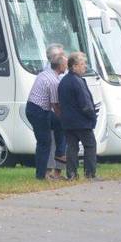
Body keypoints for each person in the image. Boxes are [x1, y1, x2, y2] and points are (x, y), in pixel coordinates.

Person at [26, 51, 66, 179]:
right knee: (44, 142)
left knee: (59, 124)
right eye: (65, 64)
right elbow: (55, 105)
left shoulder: (44, 73)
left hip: (36, 108)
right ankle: (41, 175)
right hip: (39, 111)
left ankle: (60, 153)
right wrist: (64, 118)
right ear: (60, 66)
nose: (66, 66)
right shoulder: (54, 81)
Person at [58, 52, 98, 180]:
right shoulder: (78, 81)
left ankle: (72, 174)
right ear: (74, 66)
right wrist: (92, 117)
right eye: (82, 64)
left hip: (68, 121)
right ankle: (90, 173)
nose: (84, 66)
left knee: (72, 148)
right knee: (90, 145)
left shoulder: (63, 81)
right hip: (82, 121)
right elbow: (85, 103)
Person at [45, 43, 68, 177]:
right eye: (61, 54)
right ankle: (49, 171)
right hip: (54, 111)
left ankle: (58, 172)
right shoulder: (49, 72)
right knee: (52, 142)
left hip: (59, 110)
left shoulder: (61, 70)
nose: (64, 57)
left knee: (61, 142)